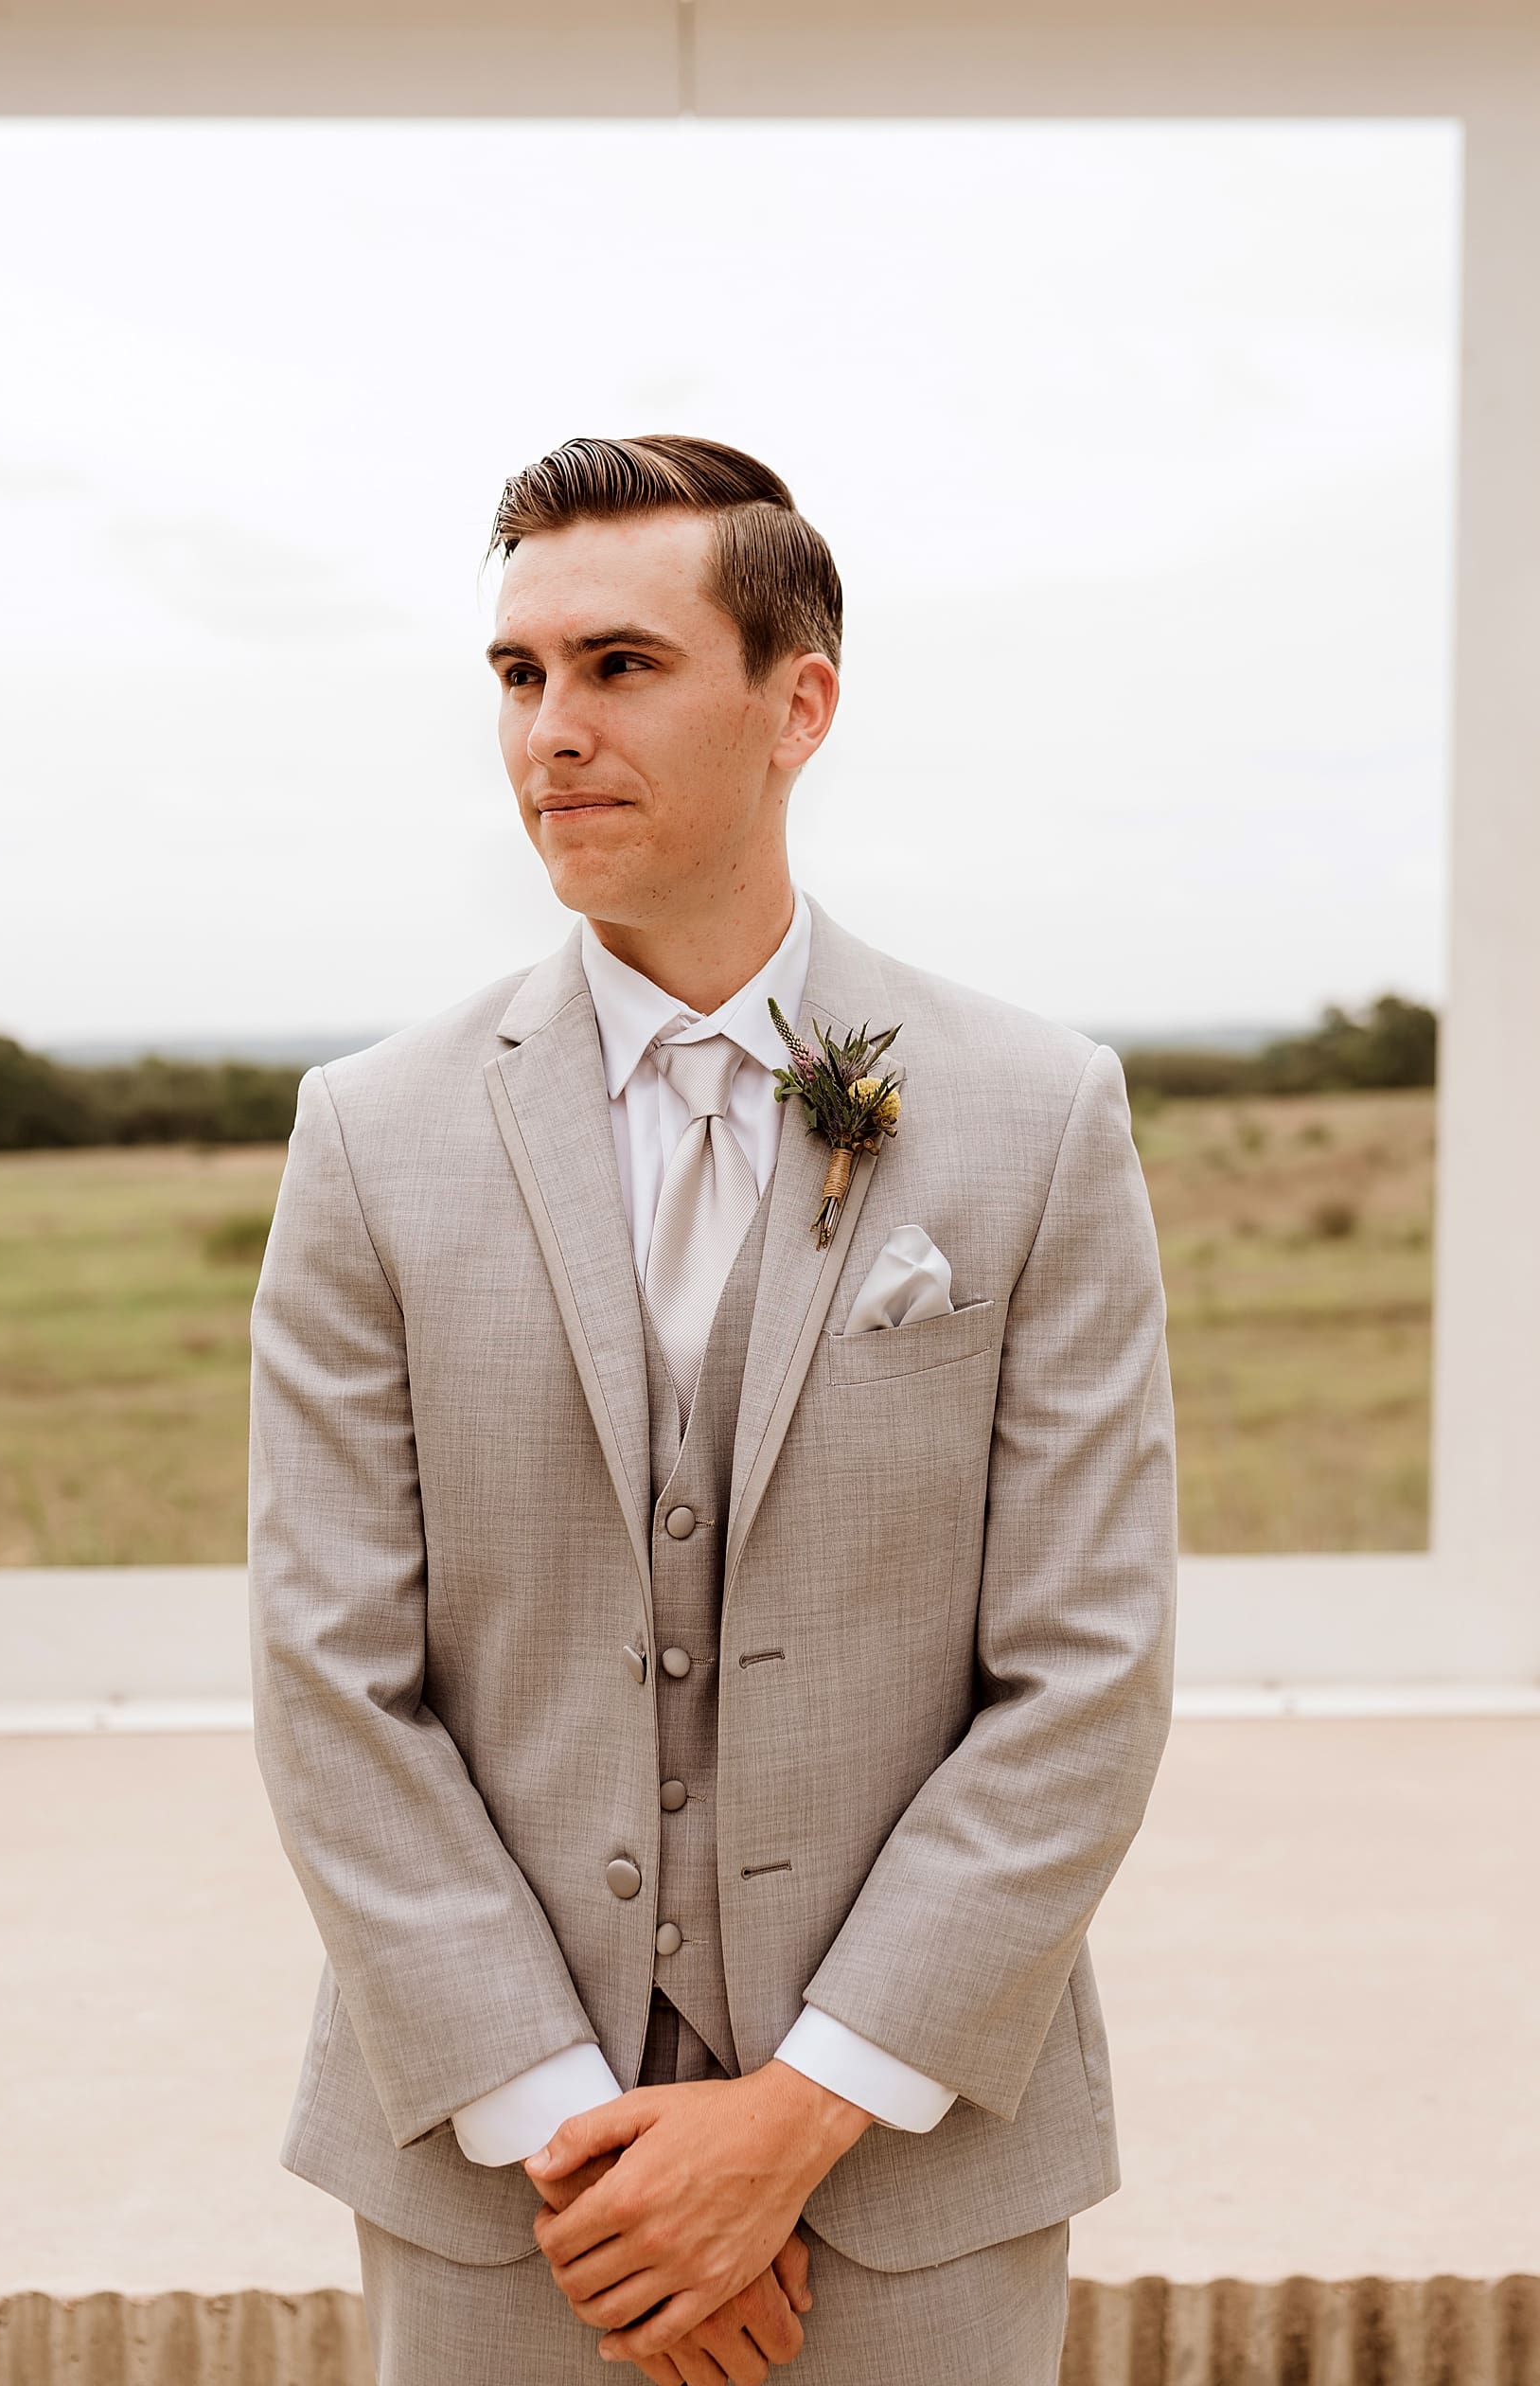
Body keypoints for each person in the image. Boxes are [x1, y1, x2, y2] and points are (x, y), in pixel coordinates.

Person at [247, 434, 1177, 2384]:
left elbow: (1085, 1673)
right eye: (520, 676)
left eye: (622, 665)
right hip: (508, 2194)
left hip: (910, 2181)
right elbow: (334, 1683)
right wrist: (575, 2145)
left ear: (799, 704)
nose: (552, 732)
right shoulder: (371, 1135)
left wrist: (798, 2117)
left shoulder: (1033, 1114)